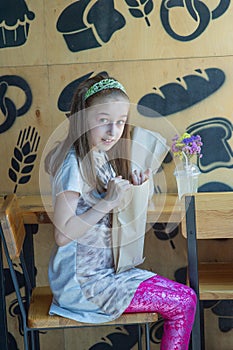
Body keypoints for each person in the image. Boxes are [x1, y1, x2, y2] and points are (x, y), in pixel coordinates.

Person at [44, 72, 197, 349]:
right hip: (84, 286)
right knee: (184, 301)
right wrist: (108, 201)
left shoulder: (98, 156)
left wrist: (134, 189)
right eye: (103, 121)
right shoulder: (73, 165)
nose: (113, 131)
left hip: (106, 273)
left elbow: (104, 211)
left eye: (121, 122)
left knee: (186, 297)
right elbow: (63, 235)